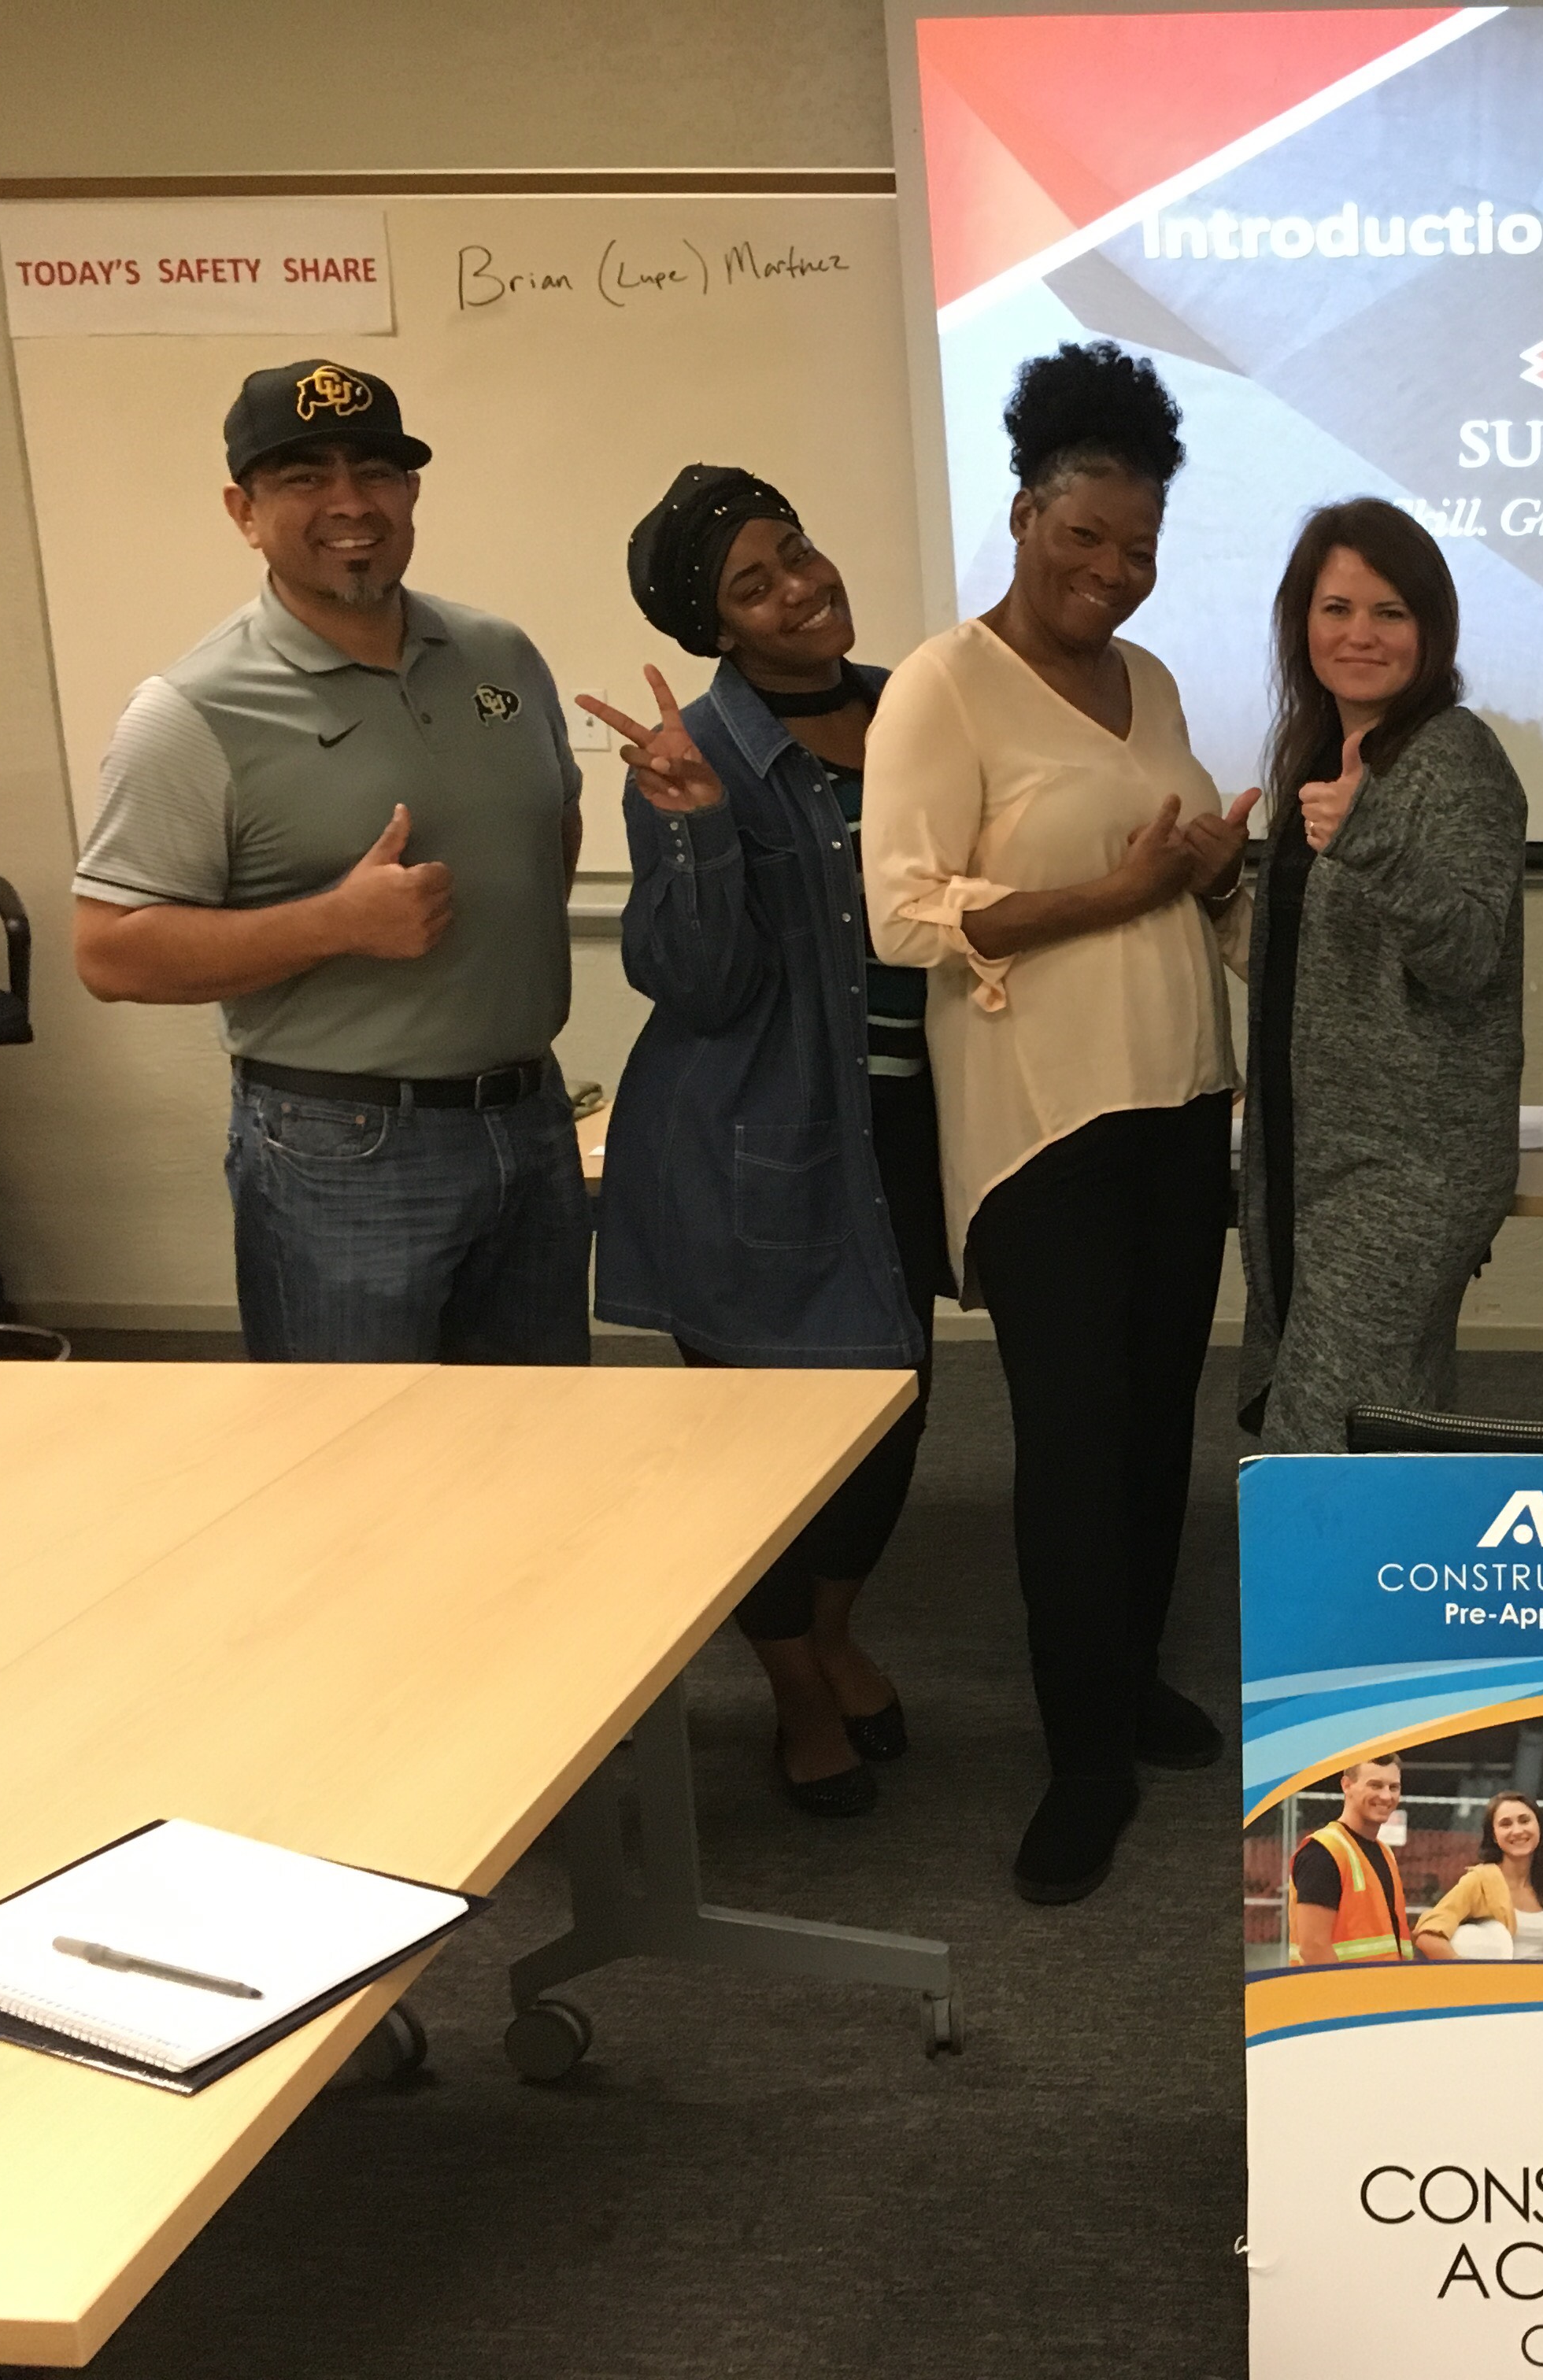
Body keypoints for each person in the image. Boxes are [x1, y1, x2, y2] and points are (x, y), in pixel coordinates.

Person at [864, 342, 1249, 1905]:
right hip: (1043, 1132)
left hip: (1175, 1103)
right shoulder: (940, 685)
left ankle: (1131, 1680)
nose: (1111, 571)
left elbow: (1173, 868)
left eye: (1140, 550)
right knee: (1073, 1445)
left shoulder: (1148, 684)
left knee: (1159, 1421)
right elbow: (900, 915)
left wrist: (1217, 867)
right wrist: (1111, 892)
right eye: (1084, 536)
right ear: (1024, 513)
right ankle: (1079, 1755)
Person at [70, 359, 587, 1363]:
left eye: (375, 471)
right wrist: (334, 924)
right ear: (244, 510)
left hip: (530, 1118)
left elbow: (546, 830)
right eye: (303, 476)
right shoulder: (189, 711)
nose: (348, 503)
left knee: (536, 1453)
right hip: (342, 1148)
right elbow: (110, 953)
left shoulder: (501, 656)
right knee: (359, 1469)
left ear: (412, 493)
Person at [583, 466, 953, 1818]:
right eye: (754, 582)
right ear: (716, 628)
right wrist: (687, 830)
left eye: (796, 552)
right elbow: (699, 984)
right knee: (769, 1453)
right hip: (747, 1140)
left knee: (893, 1408)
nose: (800, 586)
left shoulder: (916, 701)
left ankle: (833, 1631)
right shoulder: (700, 752)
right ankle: (799, 1685)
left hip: (898, 1128)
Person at [1234, 500, 1526, 1451]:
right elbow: (1324, 963)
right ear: (1300, 622)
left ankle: (1329, 1604)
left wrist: (1375, 841)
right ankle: (1398, 1597)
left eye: (1390, 612)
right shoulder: (1322, 753)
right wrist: (1212, 895)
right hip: (1315, 1151)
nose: (1360, 633)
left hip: (1404, 1167)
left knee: (1321, 1443)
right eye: (1336, 609)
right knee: (1390, 1426)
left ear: (1431, 629)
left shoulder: (1454, 758)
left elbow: (1469, 957)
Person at [1415, 1791, 1543, 1963]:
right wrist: (1469, 1974)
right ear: (1494, 1837)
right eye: (1506, 1824)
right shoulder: (1480, 1881)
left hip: (1542, 1989)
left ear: (1539, 1827)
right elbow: (1428, 1936)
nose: (1517, 1830)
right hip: (1493, 1988)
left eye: (1525, 1820)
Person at [1288, 1754, 1412, 1964]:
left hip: (1383, 1992)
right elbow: (1313, 1949)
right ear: (1347, 1785)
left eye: (1394, 1787)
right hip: (1339, 1994)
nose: (1386, 1796)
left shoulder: (1384, 1852)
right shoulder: (1323, 1852)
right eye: (1375, 1785)